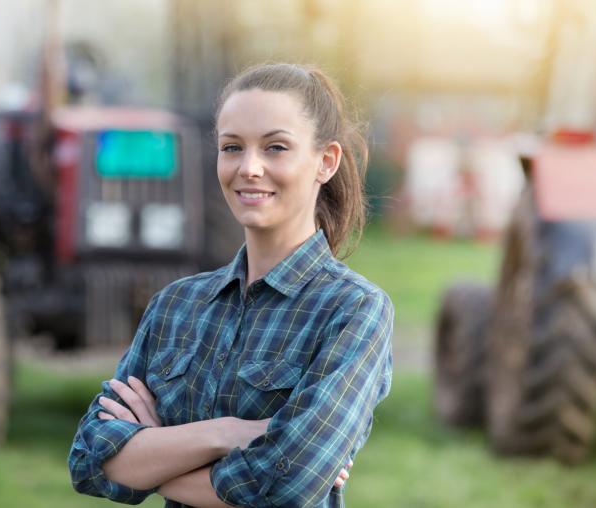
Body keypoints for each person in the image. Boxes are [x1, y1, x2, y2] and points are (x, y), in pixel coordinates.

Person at [69, 63, 393, 508]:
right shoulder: (176, 305)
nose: (249, 168)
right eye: (232, 147)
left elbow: (286, 484)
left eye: (276, 147)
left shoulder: (354, 311)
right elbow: (89, 459)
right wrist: (223, 435)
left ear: (326, 161)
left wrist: (152, 455)